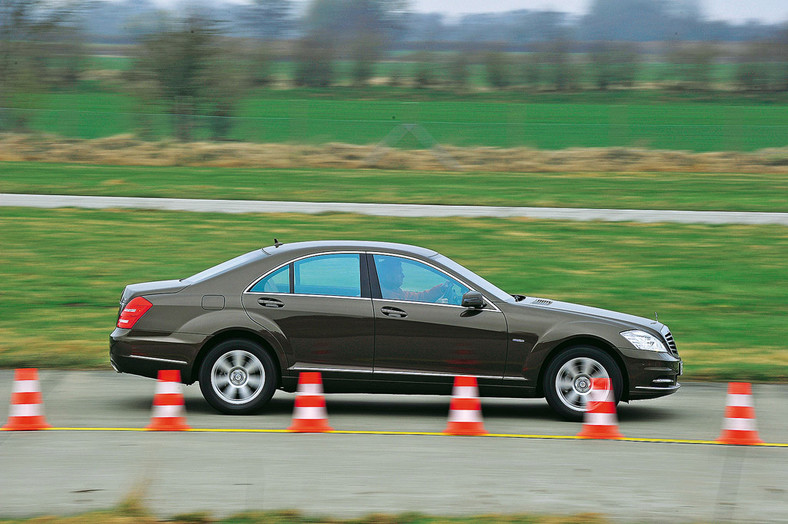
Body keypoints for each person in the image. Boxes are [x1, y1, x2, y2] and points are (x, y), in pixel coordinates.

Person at [377, 257, 450, 303]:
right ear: (388, 275)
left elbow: (418, 297)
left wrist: (441, 289)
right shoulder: (389, 296)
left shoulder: (393, 290)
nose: (403, 276)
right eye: (399, 273)